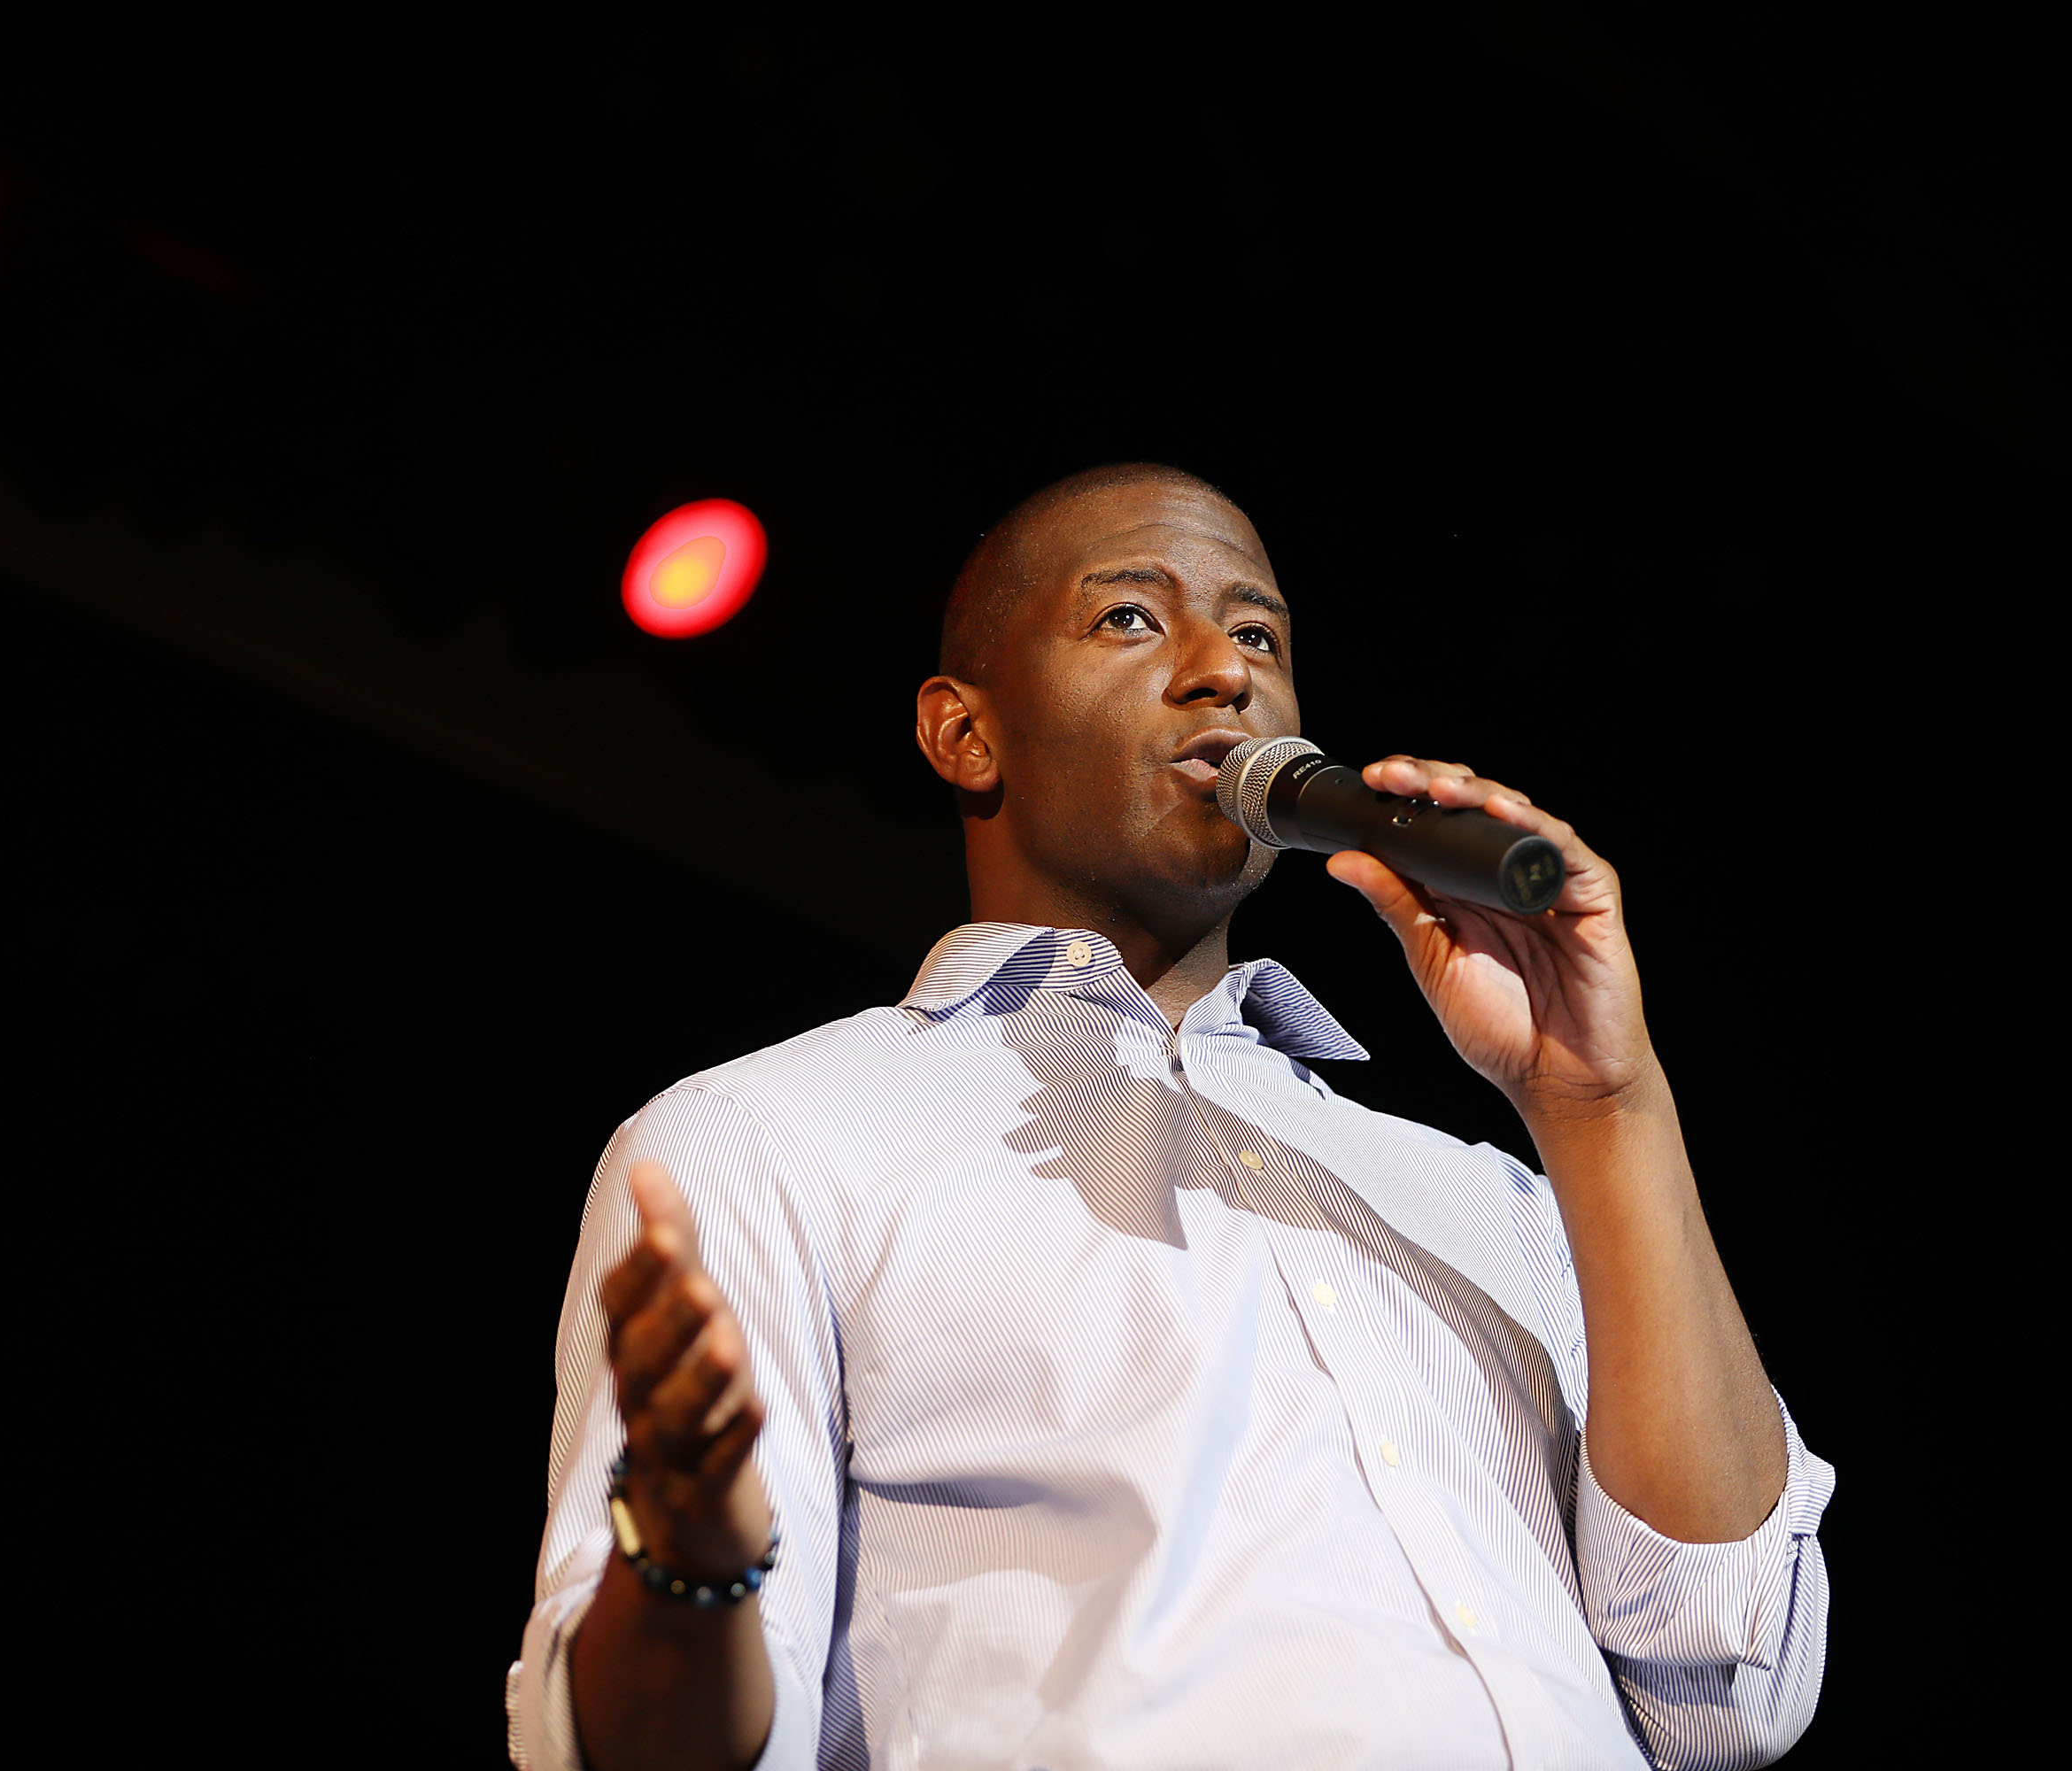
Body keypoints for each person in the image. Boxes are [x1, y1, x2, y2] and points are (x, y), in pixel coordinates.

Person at [506, 464, 1831, 1771]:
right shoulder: (771, 1142)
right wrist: (682, 1564)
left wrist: (1605, 1103)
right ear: (964, 732)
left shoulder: (1496, 1198)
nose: (1224, 671)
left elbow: (1728, 1691)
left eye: (1259, 634)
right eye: (1131, 618)